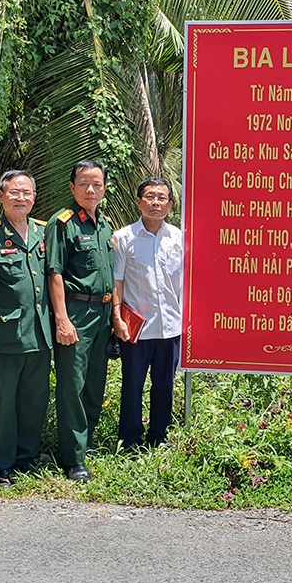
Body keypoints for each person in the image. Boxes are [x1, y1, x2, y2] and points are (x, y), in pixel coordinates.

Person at [0, 171, 52, 485]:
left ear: (34, 197)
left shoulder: (46, 233)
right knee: (3, 401)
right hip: (5, 334)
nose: (21, 198)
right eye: (14, 192)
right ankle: (0, 461)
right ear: (2, 196)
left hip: (40, 332)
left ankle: (26, 457)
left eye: (26, 192)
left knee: (35, 399)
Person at [45, 160, 119, 482]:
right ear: (72, 187)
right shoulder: (62, 224)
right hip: (76, 313)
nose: (91, 190)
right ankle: (73, 459)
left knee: (94, 384)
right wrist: (62, 319)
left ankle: (84, 445)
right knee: (72, 387)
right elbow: (55, 274)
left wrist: (115, 313)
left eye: (97, 184)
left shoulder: (104, 224)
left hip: (102, 314)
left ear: (104, 188)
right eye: (84, 184)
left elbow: (112, 276)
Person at [112, 177, 183, 451]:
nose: (156, 203)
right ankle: (129, 440)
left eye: (161, 198)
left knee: (164, 386)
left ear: (170, 204)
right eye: (150, 197)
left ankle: (158, 436)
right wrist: (116, 318)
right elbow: (117, 281)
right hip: (136, 329)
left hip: (170, 327)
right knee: (132, 386)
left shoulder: (179, 238)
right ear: (139, 201)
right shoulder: (124, 238)